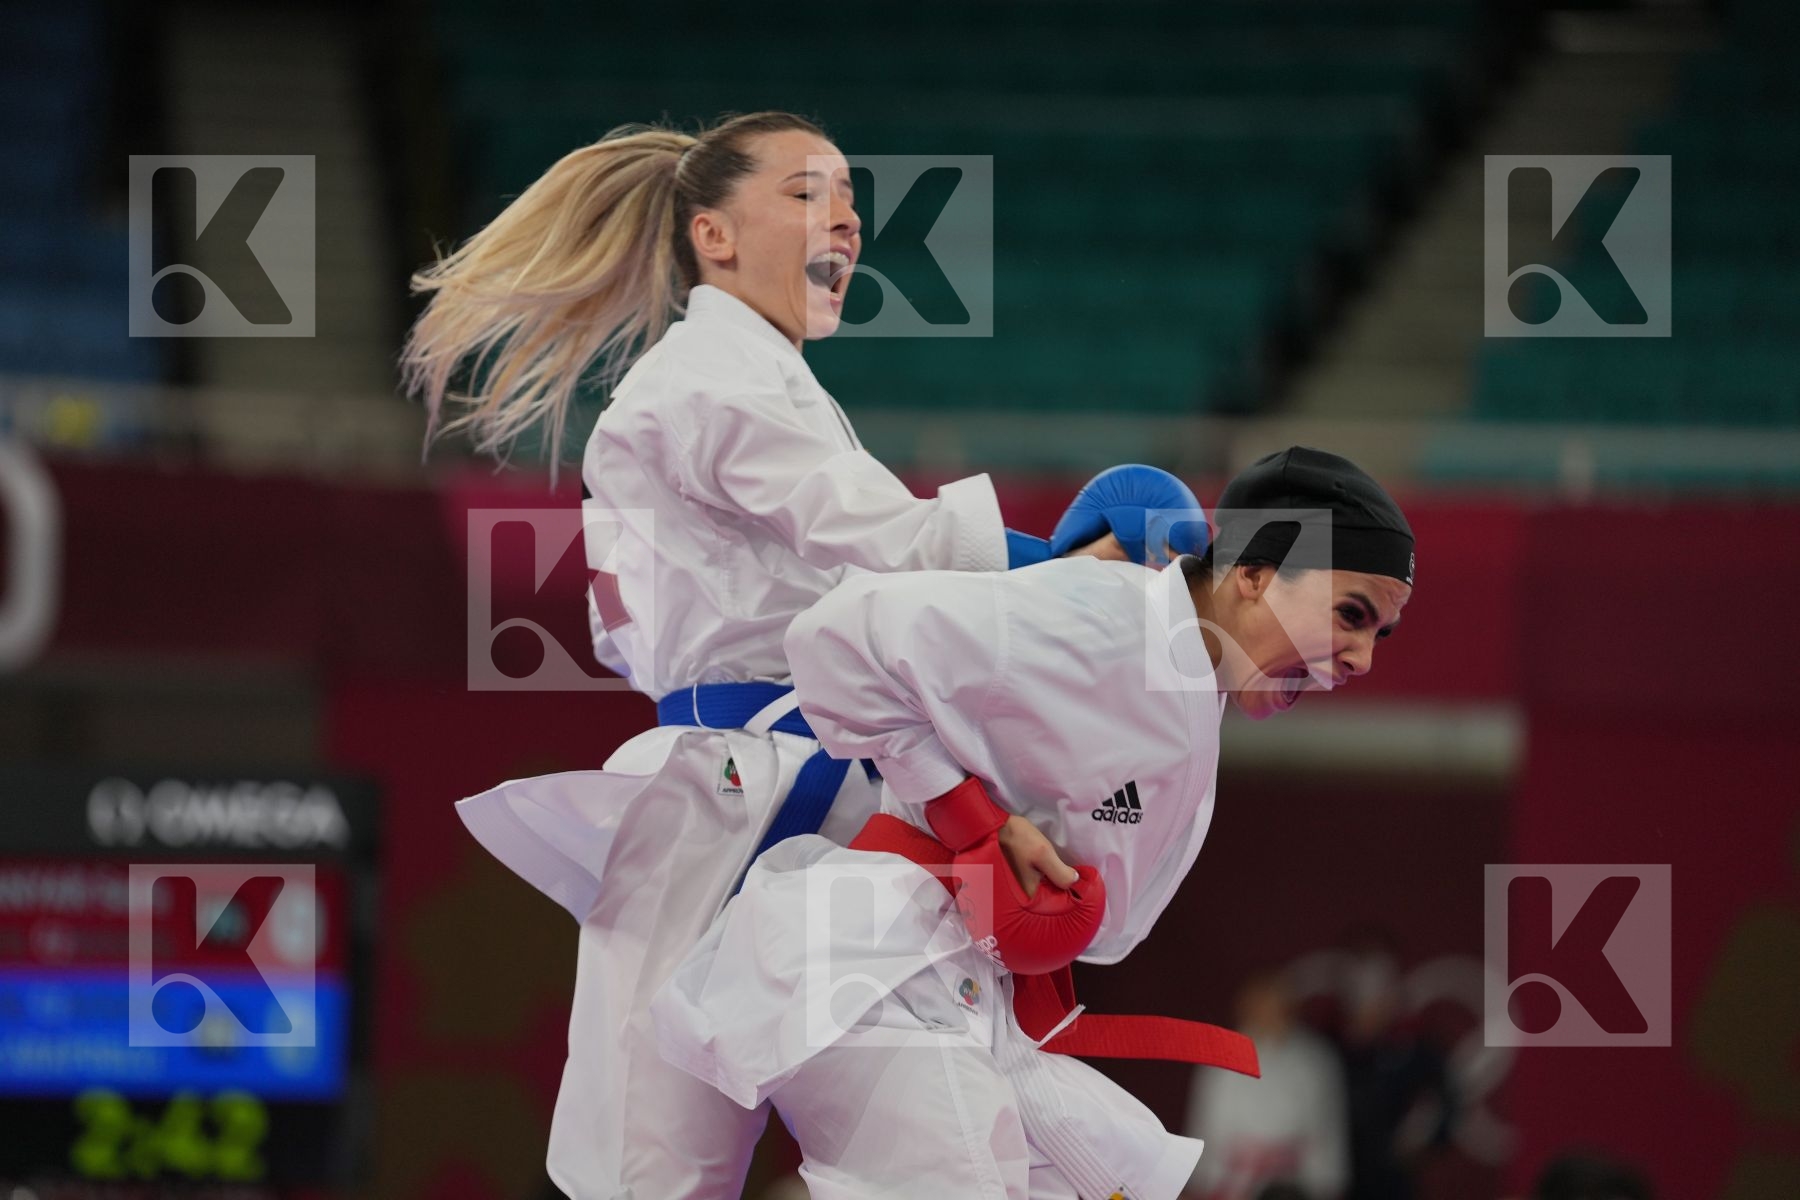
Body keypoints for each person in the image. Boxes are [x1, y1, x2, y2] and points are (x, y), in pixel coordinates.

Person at [400, 111, 1205, 1199]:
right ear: (713, 237)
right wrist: (1062, 558)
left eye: (852, 205)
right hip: (745, 788)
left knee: (821, 1148)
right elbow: (883, 541)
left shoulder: (755, 384)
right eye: (806, 192)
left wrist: (1063, 577)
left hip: (790, 788)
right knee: (670, 1168)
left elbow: (788, 589)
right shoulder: (703, 380)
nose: (844, 221)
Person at [654, 446, 1418, 1199]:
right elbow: (835, 639)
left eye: (1380, 634)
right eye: (1351, 614)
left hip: (971, 992)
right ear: (1252, 573)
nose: (1360, 660)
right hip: (877, 967)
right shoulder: (1102, 617)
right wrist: (973, 820)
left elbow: (1110, 927)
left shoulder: (1188, 677)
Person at [1183, 968, 1350, 1200]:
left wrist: (1324, 1184)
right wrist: (1207, 1183)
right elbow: (1205, 1129)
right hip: (1235, 1185)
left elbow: (1327, 1131)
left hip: (1295, 1186)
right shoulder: (1218, 1060)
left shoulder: (1315, 1058)